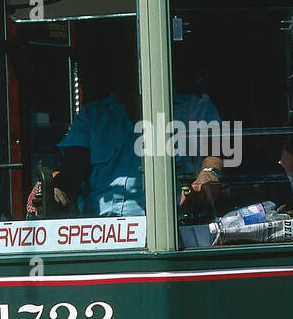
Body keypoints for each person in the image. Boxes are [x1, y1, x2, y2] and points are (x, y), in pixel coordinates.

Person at [26, 85, 224, 219]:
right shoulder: (92, 116)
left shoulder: (195, 109)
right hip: (98, 232)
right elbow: (72, 167)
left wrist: (209, 174)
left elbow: (215, 153)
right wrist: (54, 186)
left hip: (165, 230)